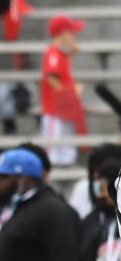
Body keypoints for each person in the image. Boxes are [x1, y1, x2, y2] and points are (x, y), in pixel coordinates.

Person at [41, 15, 87, 167]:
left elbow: (63, 72)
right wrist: (71, 93)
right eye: (71, 32)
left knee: (67, 148)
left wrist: (73, 52)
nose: (74, 35)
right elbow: (52, 78)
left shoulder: (60, 54)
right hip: (55, 110)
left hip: (63, 110)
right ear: (62, 33)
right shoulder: (53, 53)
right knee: (53, 150)